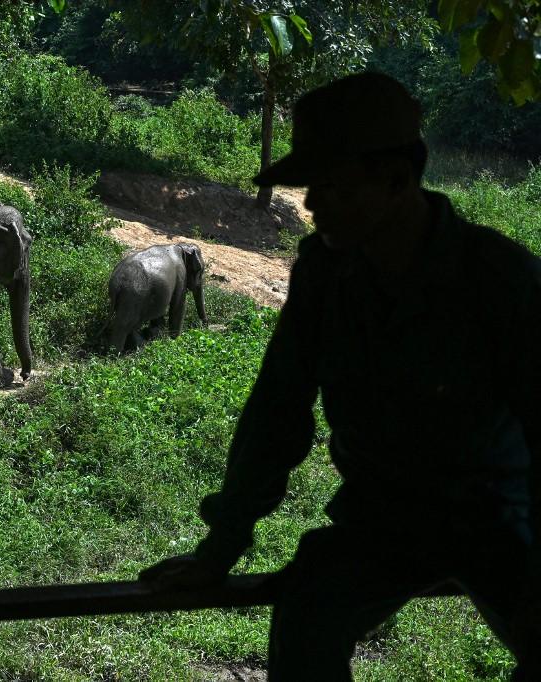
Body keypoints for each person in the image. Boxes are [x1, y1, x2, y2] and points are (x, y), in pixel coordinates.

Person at [140, 72, 540, 680]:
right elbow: (279, 408)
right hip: (382, 518)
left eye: (330, 184)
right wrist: (221, 546)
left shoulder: (500, 281)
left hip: (504, 518)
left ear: (397, 181)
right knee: (305, 618)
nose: (309, 203)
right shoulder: (325, 278)